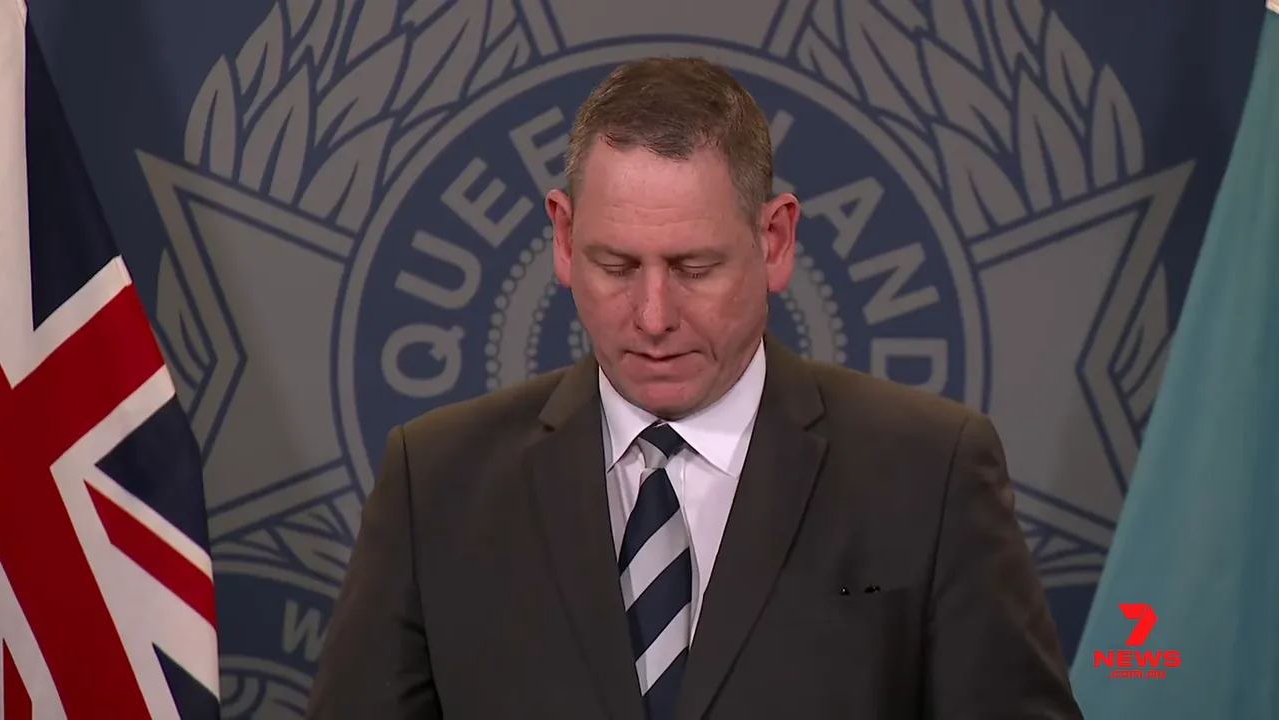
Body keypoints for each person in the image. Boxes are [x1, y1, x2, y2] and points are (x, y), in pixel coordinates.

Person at [307, 56, 1082, 719]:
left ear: (774, 241)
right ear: (565, 239)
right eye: (616, 266)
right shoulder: (436, 480)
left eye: (693, 268)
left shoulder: (929, 471)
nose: (652, 317)